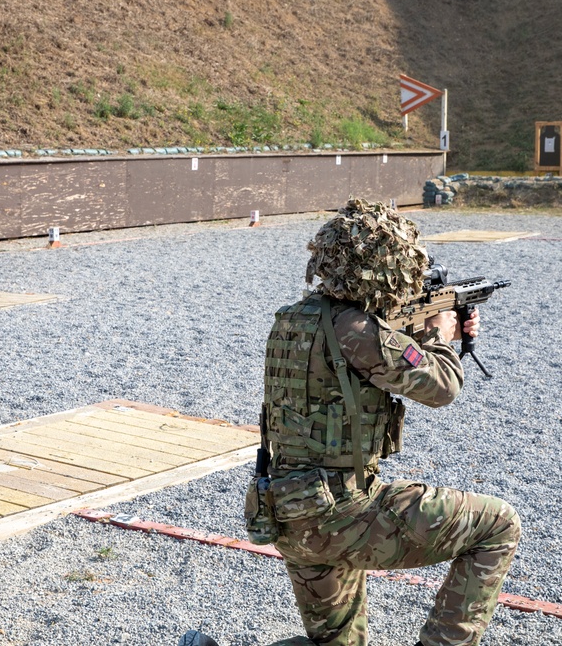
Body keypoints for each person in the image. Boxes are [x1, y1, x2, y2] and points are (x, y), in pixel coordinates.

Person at [181, 198, 521, 646]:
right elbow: (441, 388)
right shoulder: (359, 330)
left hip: (284, 510)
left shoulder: (294, 318)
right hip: (341, 512)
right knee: (498, 525)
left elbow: (355, 367)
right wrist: (439, 333)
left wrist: (416, 333)